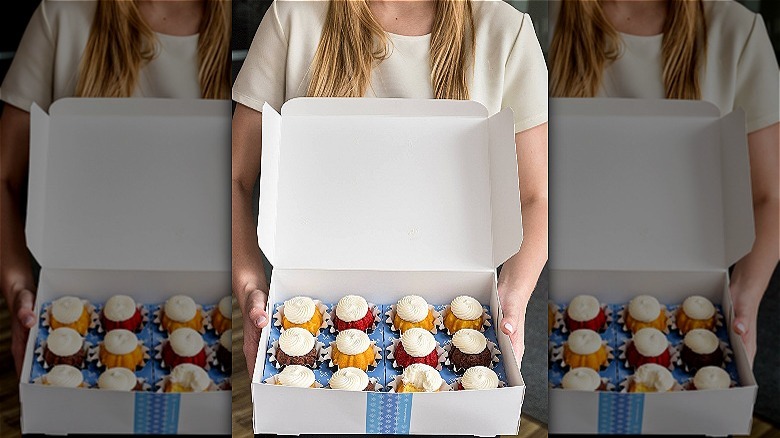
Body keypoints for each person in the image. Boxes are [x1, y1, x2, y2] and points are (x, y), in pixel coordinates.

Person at [233, 0, 549, 375]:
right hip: (309, 299)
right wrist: (249, 284)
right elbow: (235, 179)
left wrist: (513, 297)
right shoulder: (292, 19)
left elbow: (536, 197)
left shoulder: (506, 32)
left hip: (461, 302)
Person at [0, 0, 230, 376]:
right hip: (77, 295)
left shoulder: (239, 37)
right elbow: (4, 178)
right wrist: (18, 290)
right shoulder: (61, 17)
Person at [550, 0, 779, 366]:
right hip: (569, 282)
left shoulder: (735, 30)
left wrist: (744, 298)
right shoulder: (550, 20)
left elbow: (770, 197)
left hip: (694, 289)